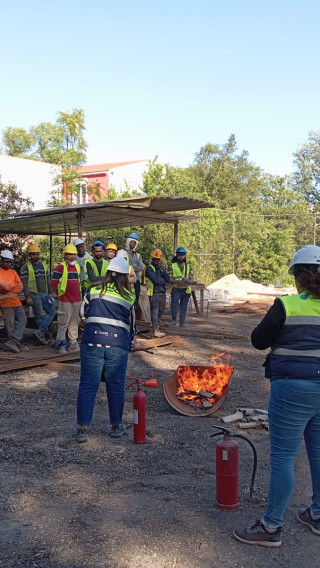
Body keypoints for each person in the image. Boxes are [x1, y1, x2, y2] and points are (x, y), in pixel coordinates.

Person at [234, 244, 320, 548]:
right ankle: (317, 516)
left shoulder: (287, 305)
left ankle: (270, 527)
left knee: (283, 458)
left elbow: (258, 340)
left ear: (297, 275)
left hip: (291, 389)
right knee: (318, 453)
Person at [76, 256, 136, 443]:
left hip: (92, 342)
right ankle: (116, 426)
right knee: (116, 385)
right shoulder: (128, 296)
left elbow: (82, 314)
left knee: (88, 385)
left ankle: (82, 429)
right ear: (124, 276)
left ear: (108, 272)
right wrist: (132, 341)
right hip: (117, 346)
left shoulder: (93, 290)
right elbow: (132, 326)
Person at [20, 243, 56, 345]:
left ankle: (40, 332)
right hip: (34, 294)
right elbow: (24, 283)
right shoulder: (25, 267)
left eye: (37, 254)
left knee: (51, 311)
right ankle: (44, 335)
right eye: (33, 254)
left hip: (45, 294)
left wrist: (50, 292)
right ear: (29, 255)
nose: (35, 256)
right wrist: (27, 296)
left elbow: (48, 280)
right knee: (39, 316)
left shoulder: (44, 265)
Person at [51, 243, 81, 354]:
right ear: (65, 255)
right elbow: (54, 282)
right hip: (65, 300)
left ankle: (73, 344)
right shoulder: (60, 267)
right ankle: (61, 345)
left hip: (76, 299)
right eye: (70, 254)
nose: (72, 256)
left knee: (74, 322)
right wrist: (59, 294)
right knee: (63, 322)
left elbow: (78, 282)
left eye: (74, 254)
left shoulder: (77, 266)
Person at [0, 250, 27, 353]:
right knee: (10, 324)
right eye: (6, 261)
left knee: (23, 319)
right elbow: (6, 287)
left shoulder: (13, 272)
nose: (8, 263)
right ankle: (14, 343)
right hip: (5, 302)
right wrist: (12, 285)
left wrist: (10, 286)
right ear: (2, 261)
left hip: (16, 301)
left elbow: (20, 286)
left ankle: (14, 341)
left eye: (10, 262)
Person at [166, 247, 194, 328]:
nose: (181, 257)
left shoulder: (188, 267)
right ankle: (174, 321)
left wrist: (189, 281)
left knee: (183, 306)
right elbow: (169, 278)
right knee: (174, 304)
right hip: (176, 288)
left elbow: (192, 279)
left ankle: (182, 323)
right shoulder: (172, 266)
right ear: (177, 256)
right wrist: (176, 281)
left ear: (185, 256)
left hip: (186, 289)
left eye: (182, 255)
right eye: (179, 255)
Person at [146, 248, 170, 338]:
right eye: (155, 259)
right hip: (154, 293)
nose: (156, 261)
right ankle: (156, 330)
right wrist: (162, 280)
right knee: (154, 312)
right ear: (152, 258)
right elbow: (155, 280)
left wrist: (164, 270)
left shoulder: (161, 269)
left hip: (162, 293)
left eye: (158, 259)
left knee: (161, 311)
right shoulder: (149, 268)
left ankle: (156, 327)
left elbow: (167, 280)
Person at [126, 232, 144, 302]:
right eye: (131, 242)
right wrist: (134, 267)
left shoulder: (138, 255)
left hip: (136, 280)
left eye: (134, 242)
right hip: (127, 280)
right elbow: (124, 266)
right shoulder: (124, 253)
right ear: (128, 242)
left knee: (136, 298)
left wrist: (131, 268)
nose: (132, 244)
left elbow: (141, 267)